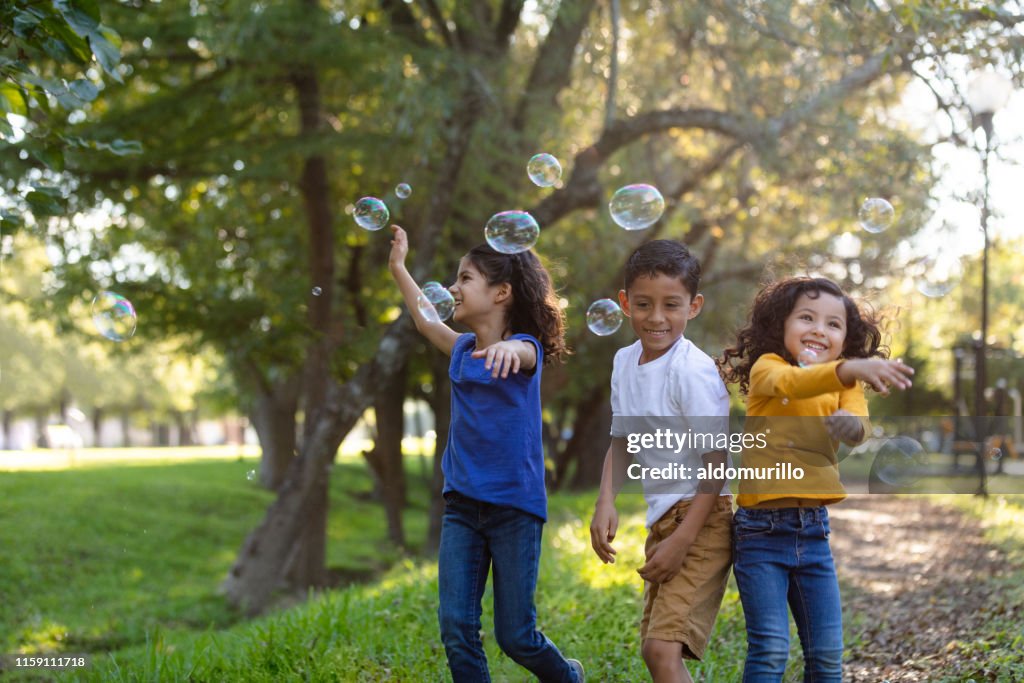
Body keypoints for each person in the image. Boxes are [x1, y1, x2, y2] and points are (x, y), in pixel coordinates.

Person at [388, 226, 584, 683]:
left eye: (465, 278)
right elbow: (424, 319)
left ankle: (567, 677)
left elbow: (523, 351)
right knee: (456, 626)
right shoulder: (460, 352)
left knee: (516, 635)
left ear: (501, 293)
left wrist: (508, 349)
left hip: (514, 509)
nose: (453, 287)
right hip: (462, 507)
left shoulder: (524, 351)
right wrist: (399, 267)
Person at [717, 276, 914, 683]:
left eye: (833, 324)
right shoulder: (768, 368)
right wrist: (848, 368)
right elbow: (794, 383)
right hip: (759, 534)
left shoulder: (846, 385)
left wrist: (849, 424)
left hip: (813, 532)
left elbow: (859, 426)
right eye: (806, 317)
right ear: (780, 326)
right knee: (770, 650)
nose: (819, 330)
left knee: (826, 659)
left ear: (847, 337)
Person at [589, 240, 734, 683]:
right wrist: (605, 501)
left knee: (661, 650)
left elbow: (718, 463)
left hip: (703, 520)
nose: (656, 317)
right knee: (654, 651)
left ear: (694, 306)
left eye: (671, 304)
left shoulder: (691, 371)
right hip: (665, 519)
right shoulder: (623, 361)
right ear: (624, 302)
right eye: (644, 304)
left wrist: (684, 540)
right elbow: (621, 440)